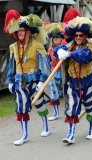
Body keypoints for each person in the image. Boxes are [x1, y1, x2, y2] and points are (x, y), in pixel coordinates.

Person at [53, 14, 92, 144]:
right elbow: (58, 50)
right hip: (73, 82)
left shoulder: (91, 46)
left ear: (84, 36)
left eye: (80, 35)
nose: (78, 38)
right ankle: (70, 134)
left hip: (87, 81)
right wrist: (59, 51)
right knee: (71, 107)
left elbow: (85, 57)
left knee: (90, 107)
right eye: (76, 35)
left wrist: (70, 54)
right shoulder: (70, 45)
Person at [4, 10, 55, 145]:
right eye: (18, 30)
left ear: (28, 32)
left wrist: (42, 81)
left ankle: (45, 126)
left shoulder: (37, 45)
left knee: (39, 104)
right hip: (20, 81)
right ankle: (24, 135)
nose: (20, 33)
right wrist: (10, 81)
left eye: (23, 30)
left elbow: (44, 65)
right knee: (21, 107)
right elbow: (11, 66)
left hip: (35, 80)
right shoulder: (13, 47)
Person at [45, 23, 64, 120]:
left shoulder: (65, 48)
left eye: (57, 37)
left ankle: (70, 110)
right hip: (53, 73)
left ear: (61, 39)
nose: (55, 39)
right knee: (53, 93)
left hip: (63, 73)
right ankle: (56, 113)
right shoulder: (50, 50)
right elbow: (48, 62)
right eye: (54, 37)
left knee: (66, 92)